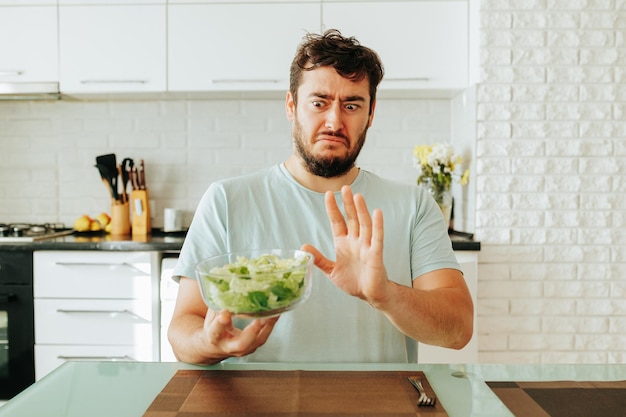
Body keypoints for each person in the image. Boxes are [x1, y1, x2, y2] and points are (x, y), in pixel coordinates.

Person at [168, 29, 473, 365]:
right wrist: (210, 344)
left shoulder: (413, 205)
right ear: (291, 105)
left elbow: (458, 331)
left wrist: (385, 295)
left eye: (352, 105)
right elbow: (182, 331)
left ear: (370, 114)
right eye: (319, 102)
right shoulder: (226, 200)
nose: (334, 121)